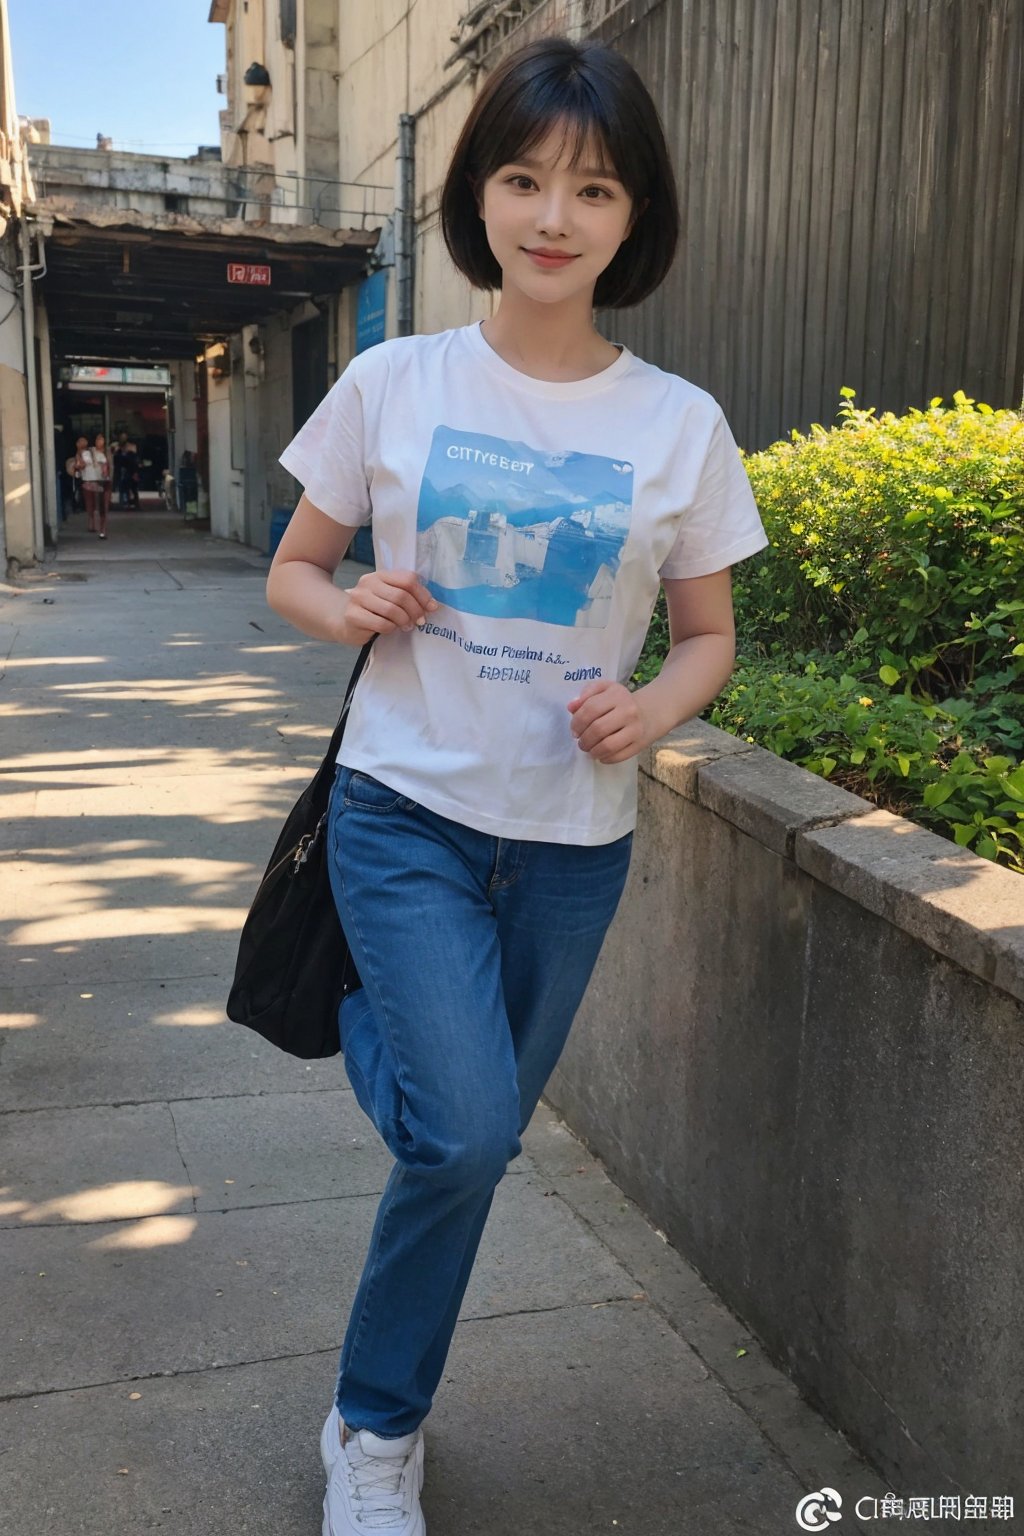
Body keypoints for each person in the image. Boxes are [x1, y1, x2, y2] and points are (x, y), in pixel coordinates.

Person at [267, 35, 769, 1536]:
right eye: (524, 178)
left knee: (460, 1153)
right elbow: (297, 570)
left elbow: (709, 639)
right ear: (479, 197)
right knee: (469, 1132)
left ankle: (371, 1402)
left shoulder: (680, 426)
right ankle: (375, 1432)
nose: (555, 215)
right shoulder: (391, 378)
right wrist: (346, 602)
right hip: (404, 808)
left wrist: (657, 709)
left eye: (593, 188)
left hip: (570, 847)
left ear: (635, 217)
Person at [80, 431, 112, 538]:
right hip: (90, 480)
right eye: (98, 439)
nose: (99, 441)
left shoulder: (106, 452)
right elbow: (80, 464)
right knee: (90, 503)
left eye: (101, 439)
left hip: (104, 481)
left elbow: (110, 466)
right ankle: (92, 521)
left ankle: (103, 530)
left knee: (103, 506)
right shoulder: (87, 453)